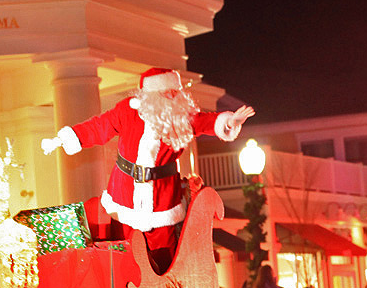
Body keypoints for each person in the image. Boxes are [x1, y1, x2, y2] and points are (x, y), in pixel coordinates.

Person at [42, 67, 254, 273]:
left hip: (163, 199)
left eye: (175, 92)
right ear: (151, 95)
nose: (173, 97)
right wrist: (63, 139)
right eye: (167, 93)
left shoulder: (182, 117)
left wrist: (228, 122)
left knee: (164, 257)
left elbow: (206, 122)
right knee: (125, 251)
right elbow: (99, 127)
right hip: (125, 195)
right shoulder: (128, 110)